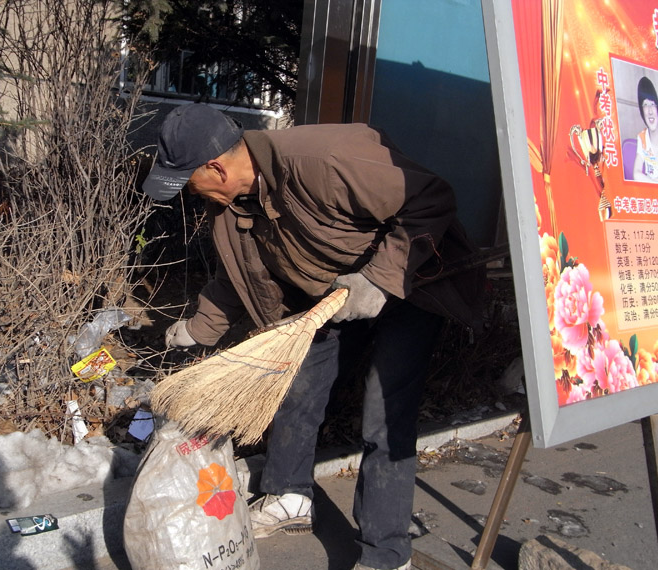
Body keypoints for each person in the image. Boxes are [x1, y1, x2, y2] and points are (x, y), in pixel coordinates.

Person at [142, 103, 482, 570]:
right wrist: (200, 328)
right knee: (299, 384)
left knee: (384, 415)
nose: (189, 194)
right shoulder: (229, 206)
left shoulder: (325, 158)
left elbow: (432, 198)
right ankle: (290, 497)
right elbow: (234, 277)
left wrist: (379, 278)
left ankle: (386, 555)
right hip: (337, 296)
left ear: (215, 167)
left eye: (188, 181)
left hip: (410, 282)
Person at [633, 76, 658, 184]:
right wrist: (655, 183)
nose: (650, 111)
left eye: (652, 104)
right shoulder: (642, 138)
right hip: (650, 195)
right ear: (642, 112)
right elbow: (636, 174)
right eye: (645, 105)